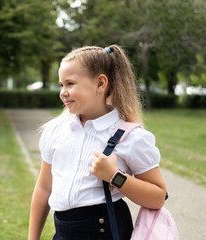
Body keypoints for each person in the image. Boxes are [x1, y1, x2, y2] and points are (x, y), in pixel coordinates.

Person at [28, 45, 167, 240]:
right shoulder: (55, 131)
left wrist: (114, 176)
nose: (63, 92)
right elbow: (43, 188)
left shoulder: (132, 137)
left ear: (100, 84)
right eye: (61, 85)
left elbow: (158, 197)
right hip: (63, 233)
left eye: (70, 83)